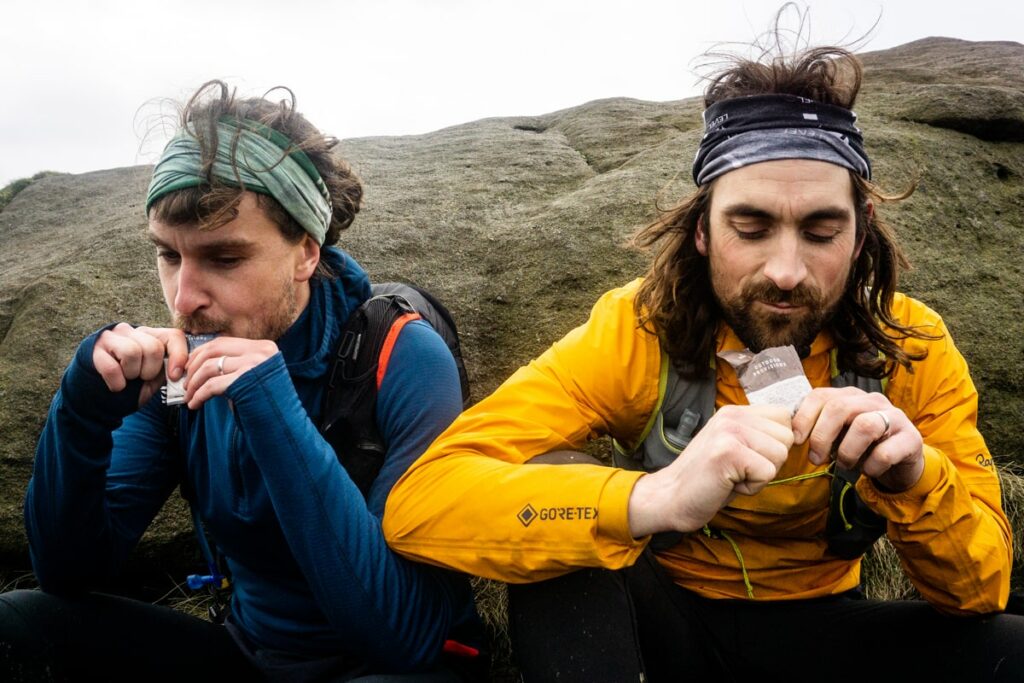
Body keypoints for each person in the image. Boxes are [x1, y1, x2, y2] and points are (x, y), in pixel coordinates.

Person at [382, 38, 1024, 682]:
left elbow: (980, 590)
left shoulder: (909, 345)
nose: (785, 270)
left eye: (822, 232)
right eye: (750, 228)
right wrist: (653, 497)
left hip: (828, 628)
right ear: (702, 230)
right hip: (660, 626)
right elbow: (420, 504)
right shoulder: (634, 331)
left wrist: (914, 476)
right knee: (557, 504)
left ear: (861, 232)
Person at [0, 81, 482, 682]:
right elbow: (68, 577)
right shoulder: (179, 378)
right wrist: (82, 413)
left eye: (225, 260)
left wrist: (271, 406)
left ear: (306, 251)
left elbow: (400, 637)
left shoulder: (401, 358)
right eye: (170, 256)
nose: (185, 298)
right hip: (250, 658)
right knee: (19, 625)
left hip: (391, 665)